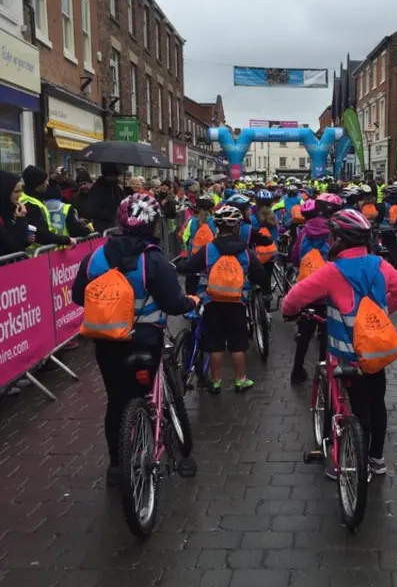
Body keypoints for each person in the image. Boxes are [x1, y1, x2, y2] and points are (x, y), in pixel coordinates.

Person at [72, 193, 198, 485]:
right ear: (153, 226)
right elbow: (174, 303)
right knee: (141, 393)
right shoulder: (152, 259)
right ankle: (147, 431)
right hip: (144, 340)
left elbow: (80, 296)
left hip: (106, 340)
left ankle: (116, 466)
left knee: (116, 399)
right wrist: (191, 302)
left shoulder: (95, 257)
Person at [282, 209, 397, 476]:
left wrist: (289, 312)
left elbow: (293, 300)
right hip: (377, 350)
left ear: (339, 239)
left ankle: (355, 462)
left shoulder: (332, 271)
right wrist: (384, 313)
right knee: (377, 403)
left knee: (355, 407)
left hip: (346, 354)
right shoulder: (379, 264)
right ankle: (376, 459)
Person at [178, 205, 266, 393]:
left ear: (217, 227)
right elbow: (259, 274)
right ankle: (240, 380)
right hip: (237, 302)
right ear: (237, 227)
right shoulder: (245, 251)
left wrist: (181, 267)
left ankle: (216, 380)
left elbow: (190, 265)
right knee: (237, 343)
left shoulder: (209, 249)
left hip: (212, 301)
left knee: (215, 343)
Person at [289, 193, 342, 384]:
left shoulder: (304, 230)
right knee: (326, 334)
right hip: (329, 290)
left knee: (305, 332)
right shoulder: (337, 232)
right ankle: (323, 374)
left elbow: (294, 256)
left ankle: (297, 370)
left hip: (307, 288)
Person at [20, 166, 77, 252]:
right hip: (35, 254)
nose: (47, 183)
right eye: (45, 181)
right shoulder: (32, 205)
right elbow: (42, 234)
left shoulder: (27, 197)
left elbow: (53, 191)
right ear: (37, 185)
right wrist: (66, 240)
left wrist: (53, 179)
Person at [0, 171, 31, 257]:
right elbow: (14, 246)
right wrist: (20, 219)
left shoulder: (10, 209)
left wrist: (27, 240)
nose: (20, 195)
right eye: (16, 192)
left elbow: (18, 241)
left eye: (21, 191)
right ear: (5, 192)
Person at [89, 164, 126, 233]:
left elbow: (122, 203)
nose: (116, 177)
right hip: (103, 227)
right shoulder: (97, 189)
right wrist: (112, 215)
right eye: (114, 175)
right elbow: (94, 210)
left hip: (116, 225)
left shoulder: (117, 188)